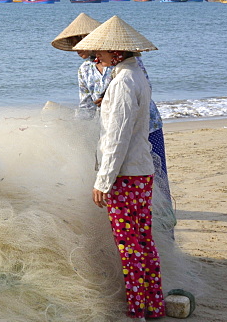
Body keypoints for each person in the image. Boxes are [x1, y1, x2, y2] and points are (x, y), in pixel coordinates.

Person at [73, 16, 165, 322]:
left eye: (101, 51)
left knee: (129, 246)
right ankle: (153, 304)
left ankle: (136, 311)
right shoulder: (136, 74)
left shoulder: (124, 82)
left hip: (126, 175)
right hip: (141, 171)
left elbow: (117, 136)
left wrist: (103, 180)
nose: (96, 57)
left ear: (118, 52)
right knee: (143, 240)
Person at [51, 14, 173, 206]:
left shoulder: (127, 62)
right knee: (121, 175)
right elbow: (85, 106)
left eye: (79, 41)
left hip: (146, 126)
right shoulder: (85, 70)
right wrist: (74, 129)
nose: (76, 48)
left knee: (155, 175)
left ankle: (164, 221)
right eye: (73, 43)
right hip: (114, 128)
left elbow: (144, 88)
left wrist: (109, 97)